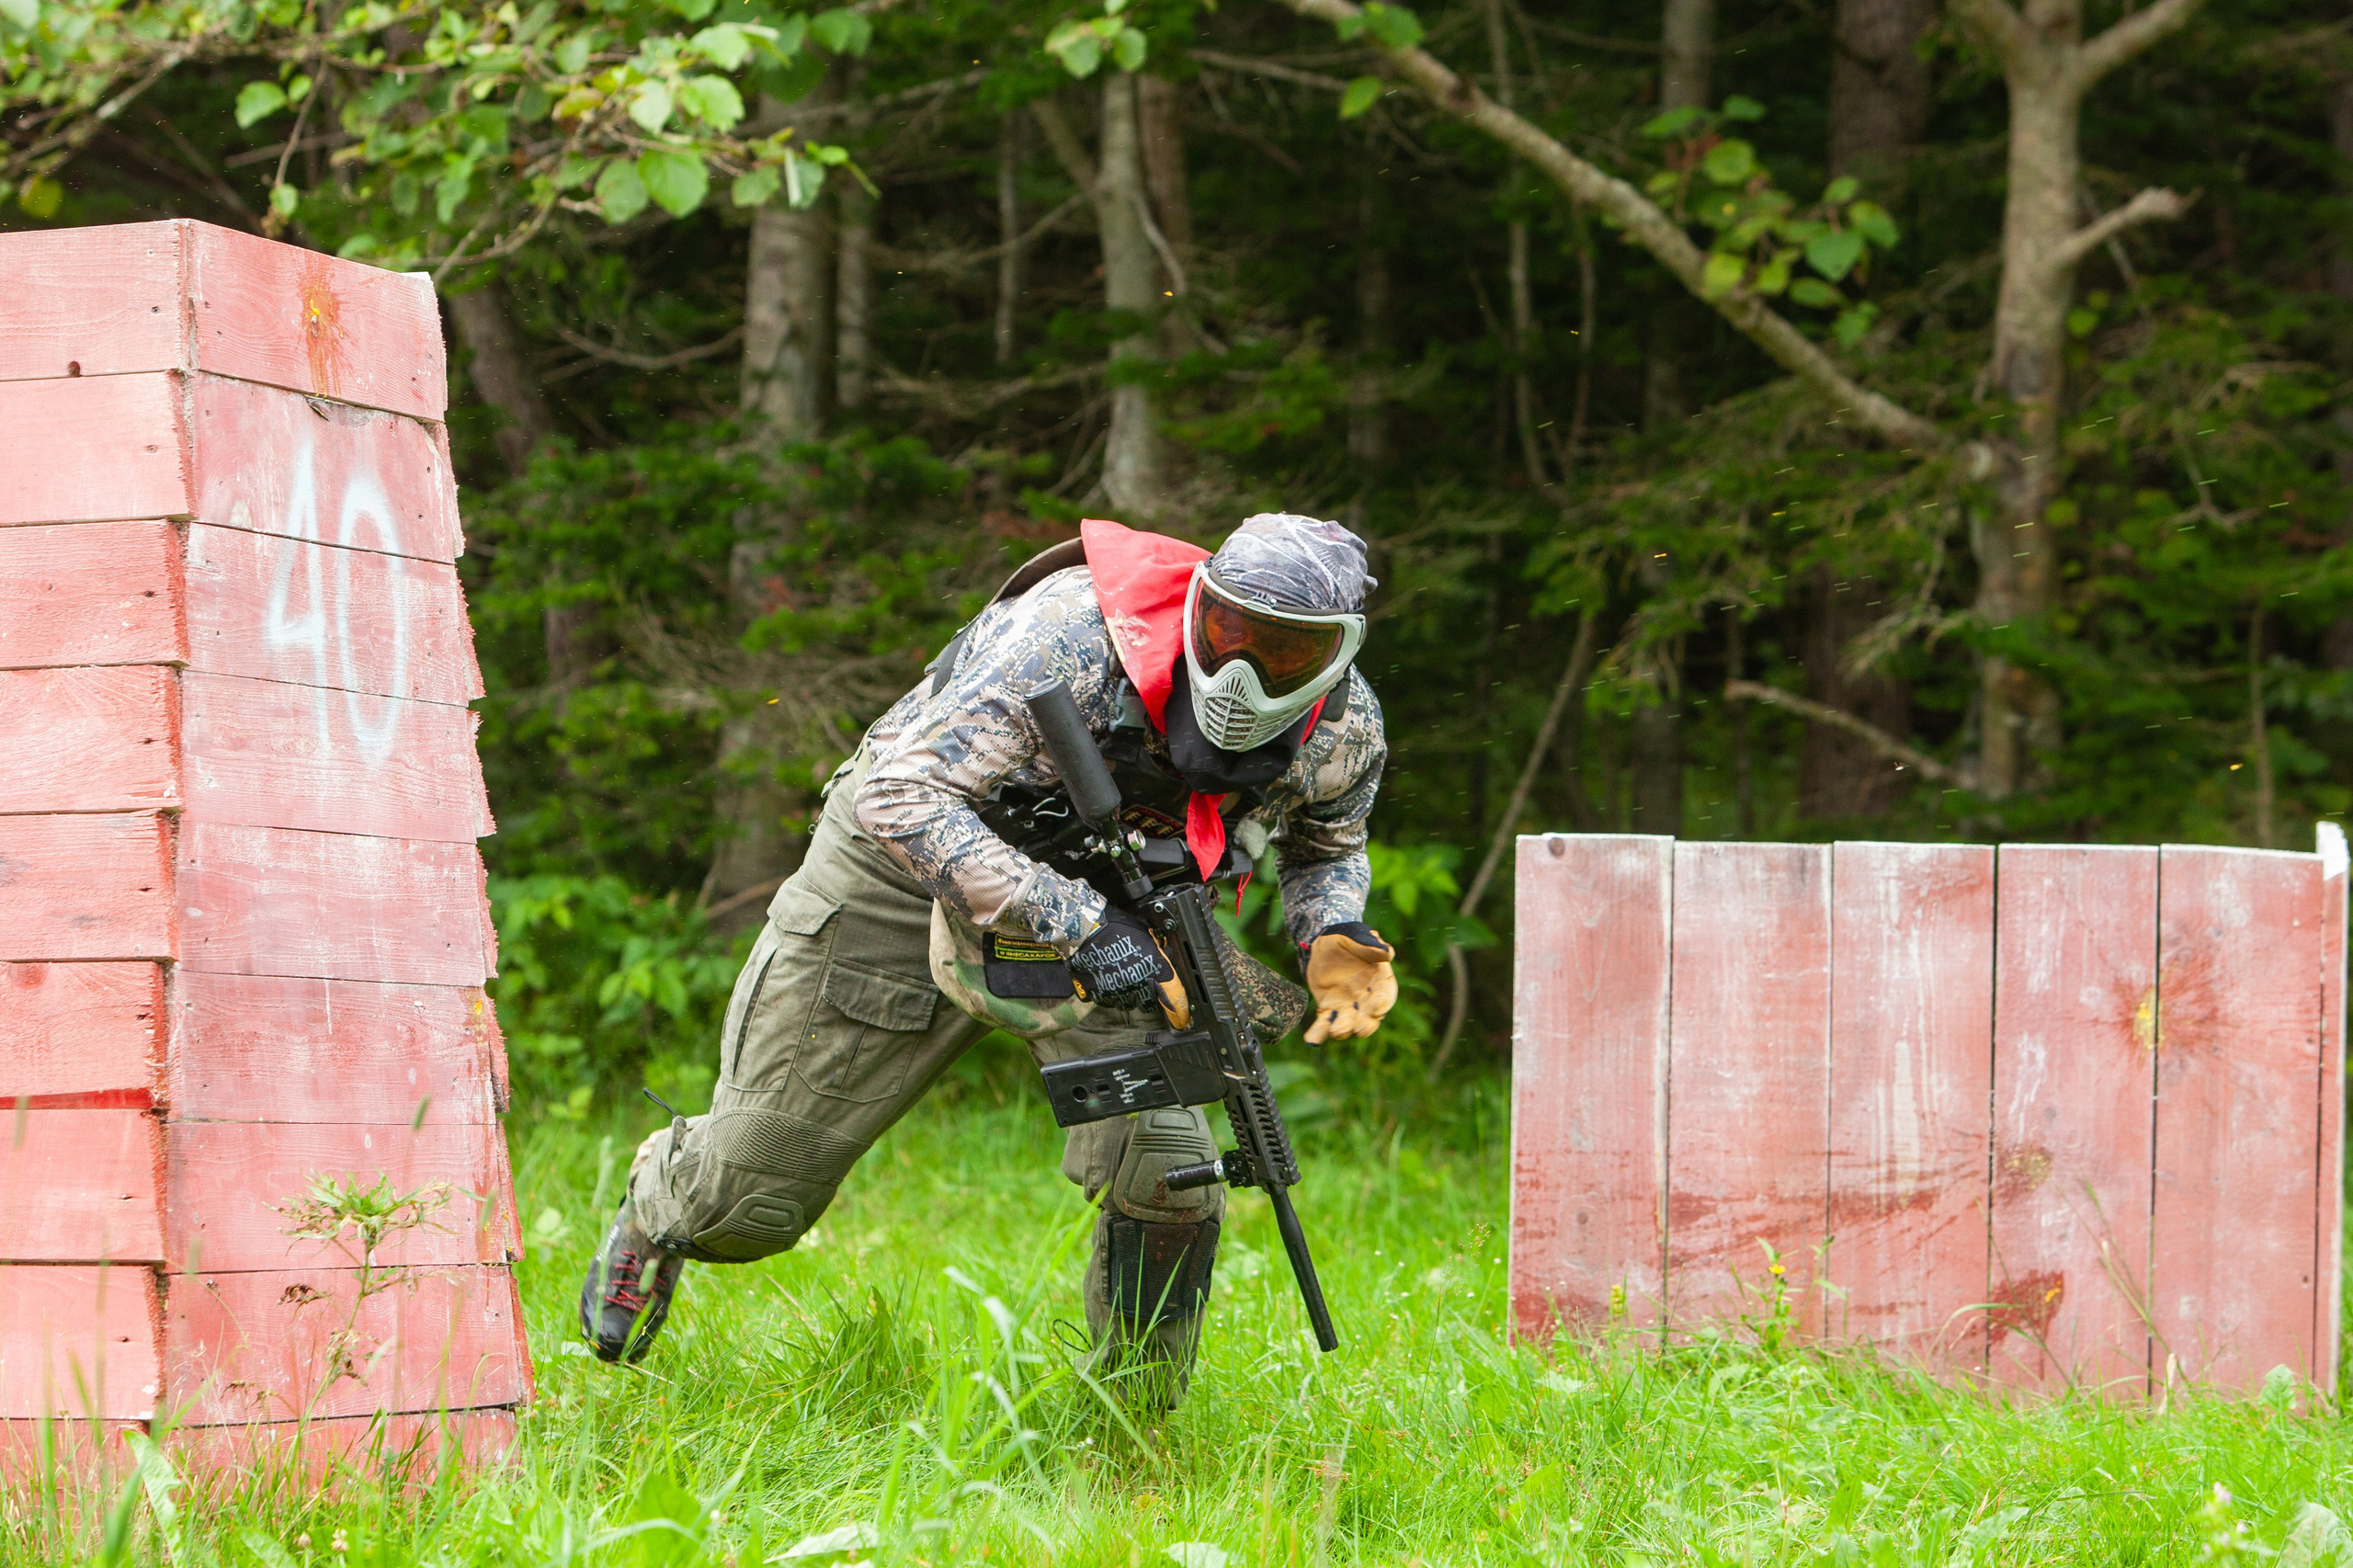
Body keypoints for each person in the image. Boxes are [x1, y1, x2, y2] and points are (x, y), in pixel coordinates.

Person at [580, 513, 1398, 1400]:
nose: (1245, 669)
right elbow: (900, 796)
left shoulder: (1343, 730)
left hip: (1126, 901)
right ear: (1199, 604)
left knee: (1170, 1183)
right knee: (748, 1201)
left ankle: (1133, 1426)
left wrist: (1332, 929)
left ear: (1338, 653)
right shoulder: (1072, 635)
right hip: (906, 872)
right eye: (1231, 630)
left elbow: (1328, 842)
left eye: (1285, 651)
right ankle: (661, 1199)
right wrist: (1084, 925)